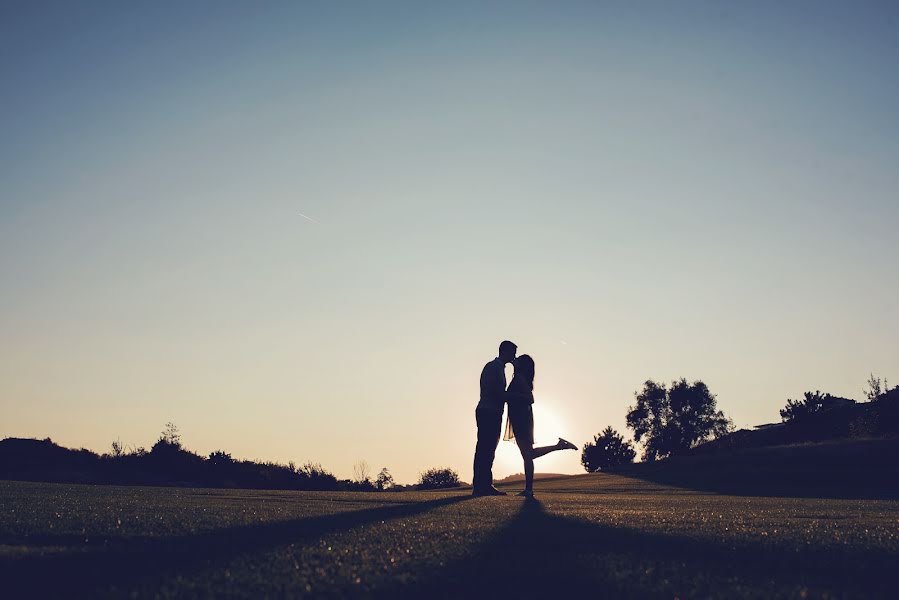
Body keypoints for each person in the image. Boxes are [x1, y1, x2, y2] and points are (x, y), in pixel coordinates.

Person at [504, 354, 577, 498]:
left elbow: (530, 399)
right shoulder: (519, 377)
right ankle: (529, 489)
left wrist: (508, 396)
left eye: (518, 360)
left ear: (522, 365)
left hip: (522, 420)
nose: (515, 359)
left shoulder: (520, 379)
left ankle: (529, 489)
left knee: (528, 455)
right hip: (520, 419)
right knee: (527, 455)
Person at [472, 340, 517, 496]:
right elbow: (495, 390)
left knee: (488, 449)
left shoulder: (498, 368)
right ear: (504, 351)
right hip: (488, 411)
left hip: (492, 411)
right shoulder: (493, 367)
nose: (514, 357)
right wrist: (514, 397)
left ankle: (484, 484)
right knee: (485, 448)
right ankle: (481, 485)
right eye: (512, 353)